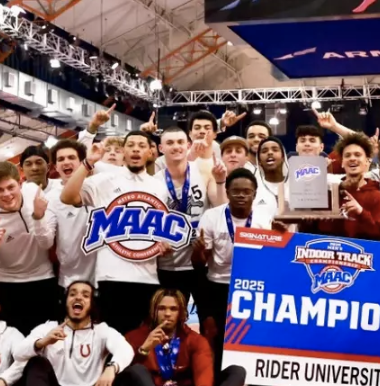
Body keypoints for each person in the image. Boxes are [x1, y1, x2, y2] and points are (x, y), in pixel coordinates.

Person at [62, 131, 184, 333]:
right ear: (124, 151)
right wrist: (87, 163)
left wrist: (165, 244)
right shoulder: (103, 180)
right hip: (110, 277)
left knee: (141, 342)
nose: (136, 149)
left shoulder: (159, 187)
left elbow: (160, 231)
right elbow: (67, 197)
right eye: (130, 145)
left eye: (141, 145)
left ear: (150, 152)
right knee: (110, 342)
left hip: (147, 278)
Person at [10, 281, 142, 386]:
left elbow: (126, 349)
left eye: (85, 295)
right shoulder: (48, 327)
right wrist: (42, 342)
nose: (78, 297)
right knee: (36, 363)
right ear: (65, 301)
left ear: (92, 304)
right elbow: (18, 353)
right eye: (73, 294)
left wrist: (111, 368)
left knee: (126, 369)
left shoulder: (102, 330)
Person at [124, 289, 239, 386]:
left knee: (236, 371)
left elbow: (203, 366)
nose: (167, 314)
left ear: (181, 313)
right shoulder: (134, 337)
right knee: (136, 370)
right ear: (153, 311)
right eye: (162, 308)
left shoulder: (194, 339)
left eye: (173, 309)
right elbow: (126, 377)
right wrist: (144, 349)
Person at [193, 169, 276, 361]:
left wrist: (279, 238)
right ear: (227, 192)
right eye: (236, 191)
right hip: (218, 286)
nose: (241, 195)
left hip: (252, 287)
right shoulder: (212, 217)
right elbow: (198, 264)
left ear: (254, 194)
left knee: (255, 341)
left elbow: (271, 262)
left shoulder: (264, 219)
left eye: (246, 191)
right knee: (218, 341)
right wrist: (197, 251)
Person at [0, 161, 57, 332]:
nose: (7, 194)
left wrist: (39, 217)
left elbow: (46, 243)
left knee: (47, 342)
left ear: (20, 183)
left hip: (43, 280)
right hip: (5, 285)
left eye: (11, 187)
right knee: (11, 346)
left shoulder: (34, 195)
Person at [155, 125, 209, 304]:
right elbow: (147, 222)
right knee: (169, 321)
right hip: (168, 264)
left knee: (209, 324)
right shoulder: (154, 182)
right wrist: (156, 240)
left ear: (188, 145)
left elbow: (220, 205)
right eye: (169, 143)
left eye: (180, 142)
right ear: (161, 148)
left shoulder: (203, 171)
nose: (176, 146)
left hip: (201, 261)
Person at [304, 135, 380, 240]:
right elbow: (309, 229)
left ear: (367, 161)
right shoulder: (326, 192)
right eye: (347, 155)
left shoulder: (378, 197)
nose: (352, 158)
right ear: (342, 162)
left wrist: (361, 212)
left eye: (358, 155)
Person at [47, 140, 97, 291]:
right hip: (69, 277)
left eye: (71, 157)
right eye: (60, 159)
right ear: (55, 166)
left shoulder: (99, 187)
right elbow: (47, 239)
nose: (66, 162)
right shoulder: (51, 198)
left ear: (82, 162)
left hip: (101, 275)